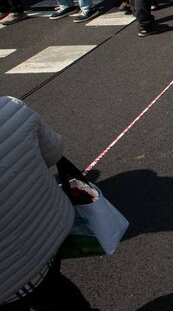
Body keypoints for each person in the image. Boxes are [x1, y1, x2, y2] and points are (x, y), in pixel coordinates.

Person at [0, 96, 93, 310]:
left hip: (9, 276)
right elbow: (53, 153)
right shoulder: (11, 106)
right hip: (50, 233)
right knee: (55, 288)